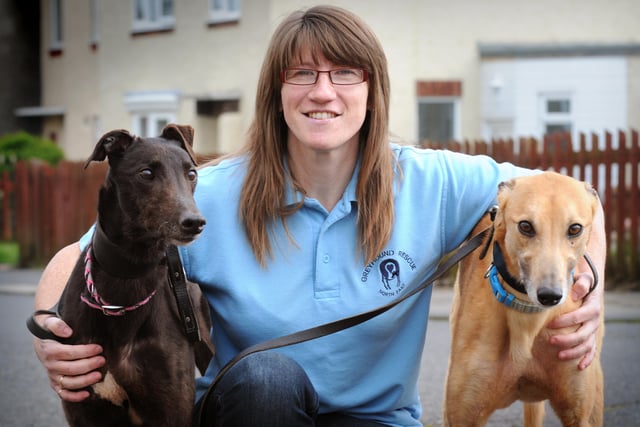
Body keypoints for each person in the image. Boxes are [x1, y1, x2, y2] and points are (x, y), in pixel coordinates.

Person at [32, 5, 606, 427]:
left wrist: (593, 283)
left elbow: (577, 201)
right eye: (302, 74)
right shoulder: (215, 191)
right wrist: (52, 335)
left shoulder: (432, 182)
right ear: (276, 92)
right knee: (268, 377)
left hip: (377, 420)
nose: (322, 92)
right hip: (253, 413)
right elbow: (78, 258)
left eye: (344, 73)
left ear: (371, 89)